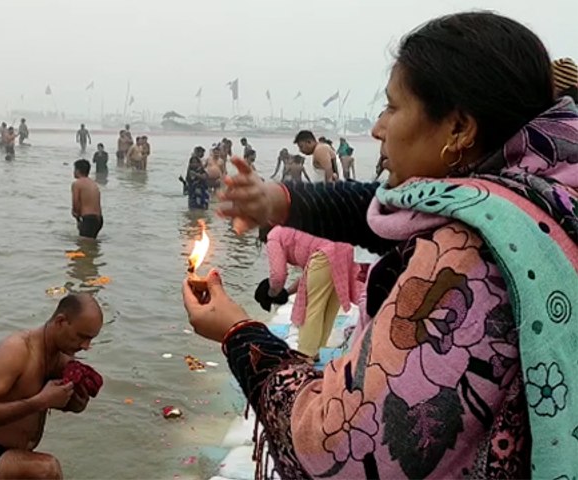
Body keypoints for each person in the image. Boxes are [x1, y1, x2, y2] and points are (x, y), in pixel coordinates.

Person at [201, 12, 578, 478]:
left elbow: (335, 451)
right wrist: (279, 200)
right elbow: (391, 211)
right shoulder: (548, 191)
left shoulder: (468, 260)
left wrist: (238, 334)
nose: (378, 128)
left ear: (459, 128)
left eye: (392, 108)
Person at [0, 294, 104, 480]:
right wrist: (41, 402)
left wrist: (75, 403)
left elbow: (64, 403)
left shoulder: (63, 358)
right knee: (47, 470)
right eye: (81, 336)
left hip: (19, 455)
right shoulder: (17, 349)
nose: (86, 346)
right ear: (60, 321)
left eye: (91, 339)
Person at [257, 226, 359, 360]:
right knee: (329, 307)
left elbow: (278, 276)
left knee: (312, 307)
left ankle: (305, 355)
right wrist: (286, 292)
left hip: (326, 253)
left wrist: (271, 294)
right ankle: (316, 351)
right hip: (344, 249)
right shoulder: (290, 229)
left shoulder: (273, 236)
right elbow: (309, 275)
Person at [71, 159, 103, 239]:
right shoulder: (93, 183)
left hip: (88, 218)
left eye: (74, 169)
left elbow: (75, 203)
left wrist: (76, 215)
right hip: (98, 219)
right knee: (91, 243)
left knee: (84, 244)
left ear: (77, 171)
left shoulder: (77, 183)